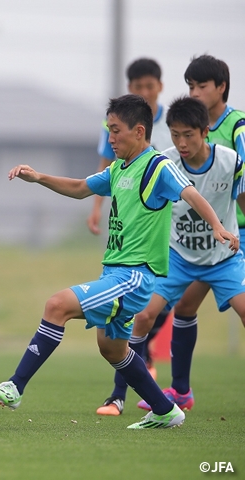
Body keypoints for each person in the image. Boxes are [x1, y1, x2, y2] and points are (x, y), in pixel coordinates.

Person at [0, 94, 239, 429]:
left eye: (115, 130)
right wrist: (40, 177)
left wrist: (218, 227)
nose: (110, 138)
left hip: (134, 277)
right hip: (116, 272)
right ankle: (166, 410)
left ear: (138, 130)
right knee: (112, 349)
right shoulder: (119, 169)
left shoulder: (158, 166)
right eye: (108, 130)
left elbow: (190, 193)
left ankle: (15, 386)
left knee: (57, 305)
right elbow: (79, 187)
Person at [97, 96, 245, 416]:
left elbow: (241, 199)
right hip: (178, 257)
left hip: (223, 258)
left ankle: (179, 391)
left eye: (188, 135)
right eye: (175, 134)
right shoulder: (162, 163)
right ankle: (118, 396)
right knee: (144, 317)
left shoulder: (230, 160)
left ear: (205, 132)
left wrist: (226, 231)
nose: (181, 142)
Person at [88, 58, 173, 384]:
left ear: (160, 87)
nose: (145, 92)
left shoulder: (170, 125)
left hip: (170, 222)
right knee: (144, 312)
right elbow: (104, 169)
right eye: (138, 87)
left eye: (149, 86)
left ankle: (157, 385)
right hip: (138, 227)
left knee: (161, 305)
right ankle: (127, 393)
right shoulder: (116, 127)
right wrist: (97, 207)